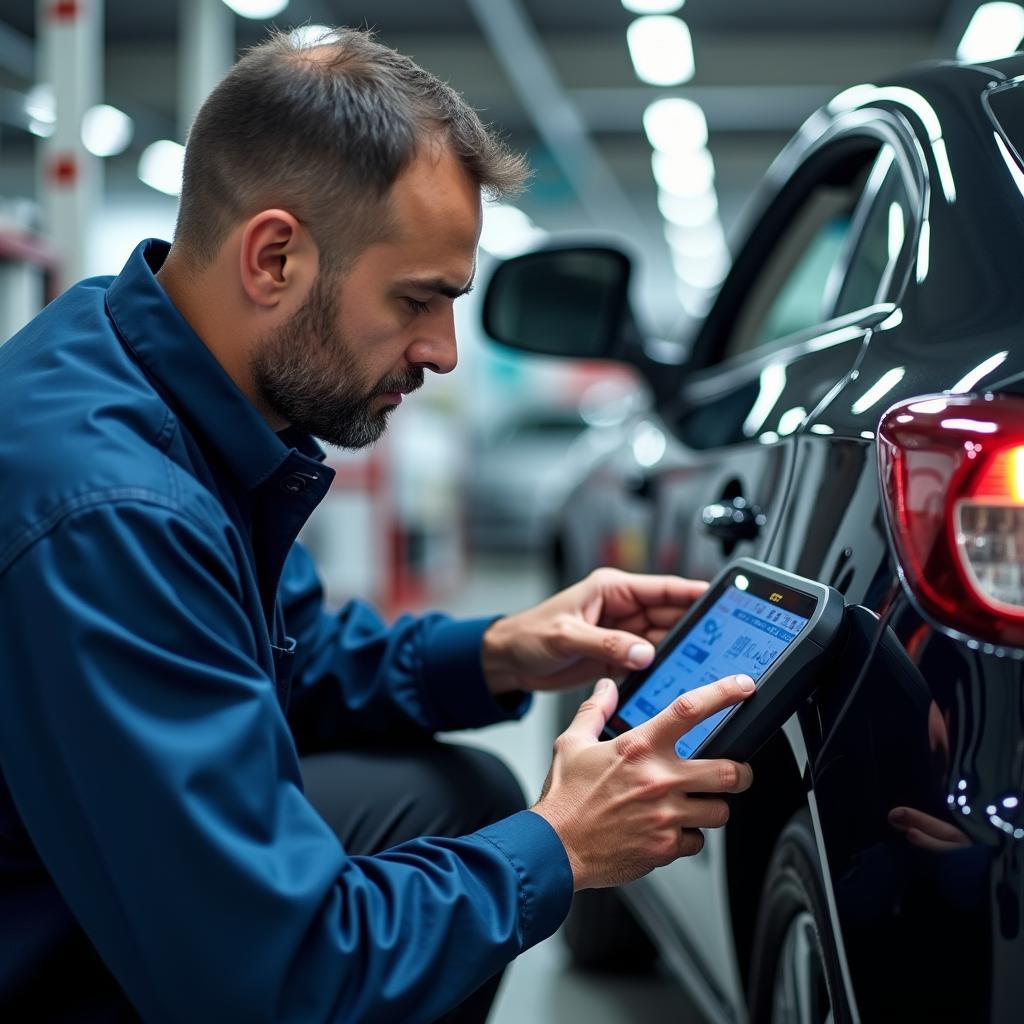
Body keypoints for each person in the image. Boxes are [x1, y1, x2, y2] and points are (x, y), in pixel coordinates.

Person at [0, 28, 755, 1023]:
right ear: (275, 258)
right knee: (482, 836)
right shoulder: (114, 509)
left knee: (449, 796)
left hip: (85, 872)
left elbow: (282, 660)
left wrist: (495, 650)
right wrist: (563, 844)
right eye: (416, 300)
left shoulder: (147, 370)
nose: (442, 352)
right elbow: (273, 976)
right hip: (47, 944)